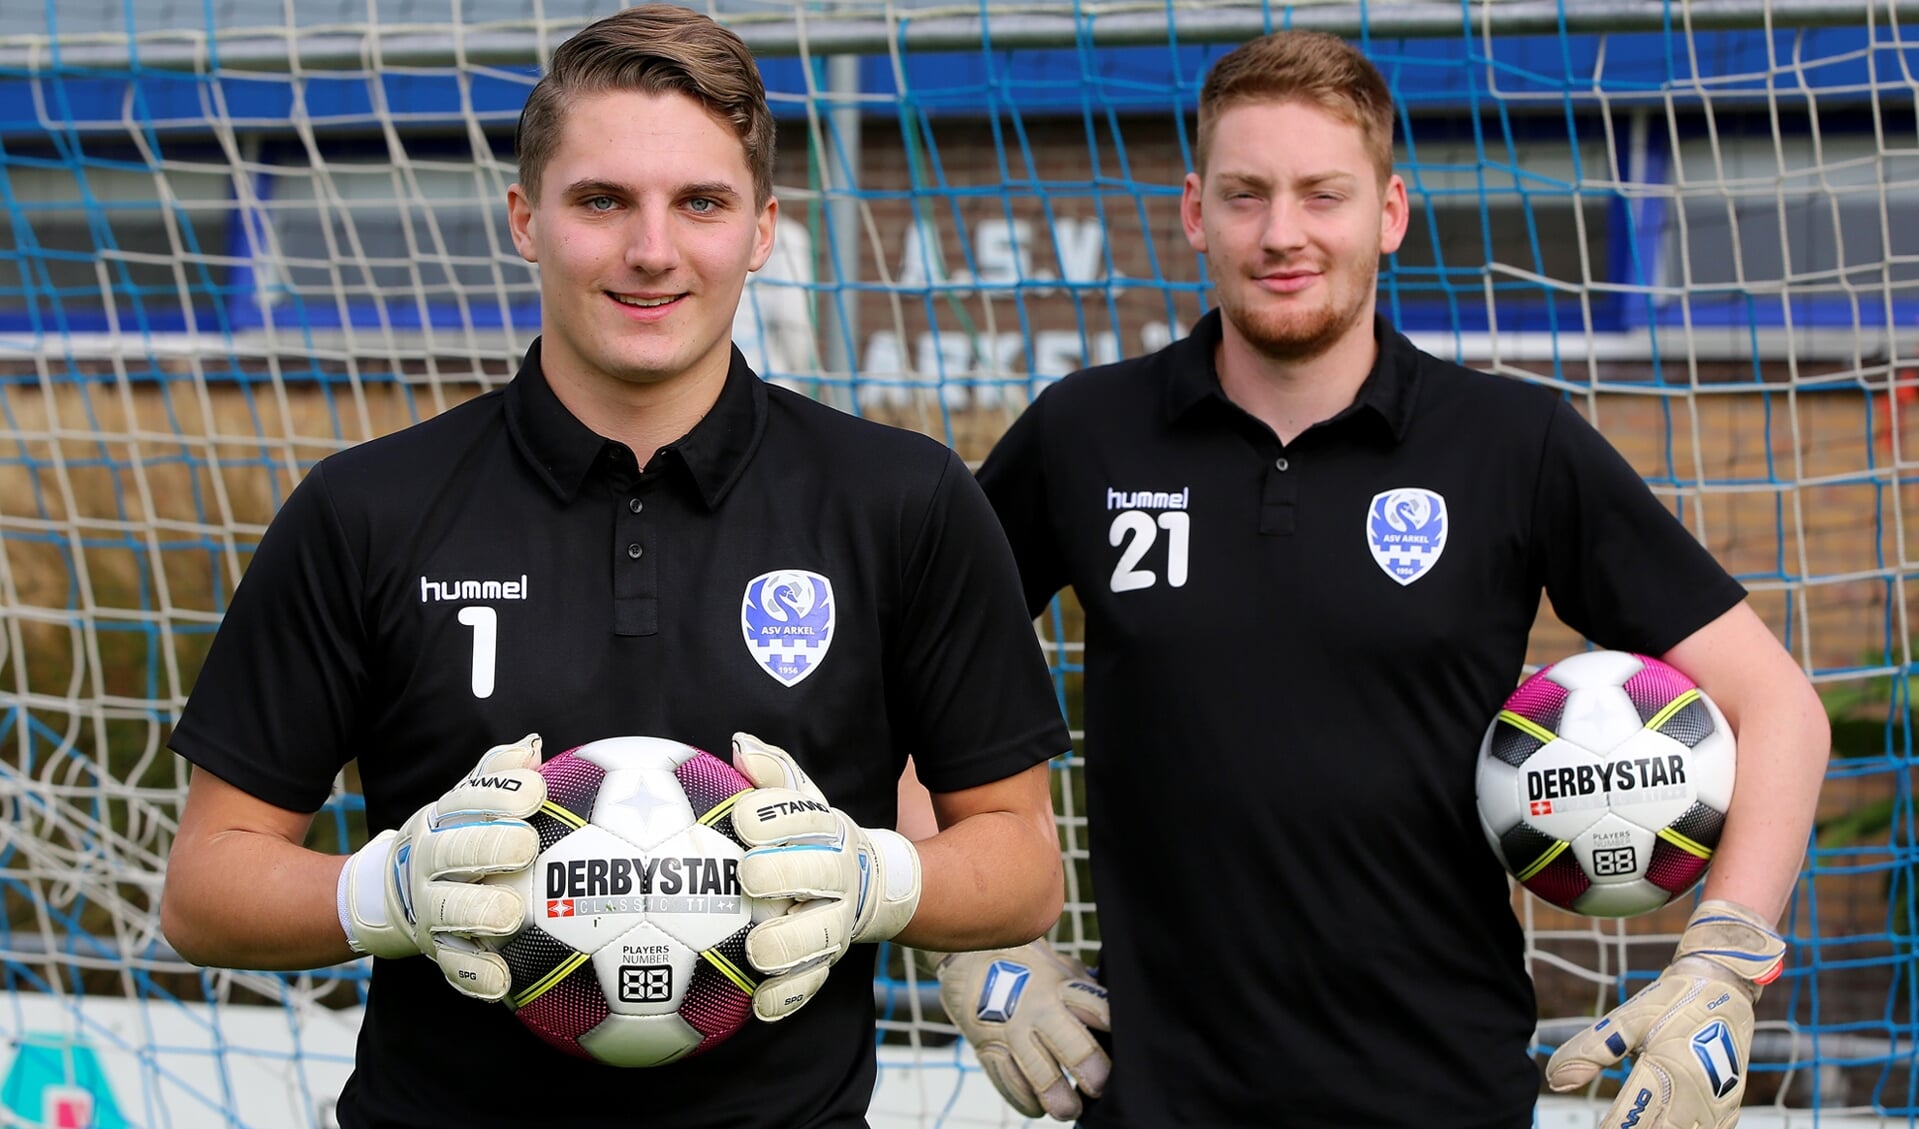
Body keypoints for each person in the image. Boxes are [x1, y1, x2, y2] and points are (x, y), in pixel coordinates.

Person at [157, 7, 1070, 1128]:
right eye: (602, 200)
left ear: (764, 228)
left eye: (700, 201)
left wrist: (876, 879)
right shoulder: (366, 509)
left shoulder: (904, 498)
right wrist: (385, 891)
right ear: (524, 220)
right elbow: (205, 888)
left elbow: (1023, 861)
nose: (652, 249)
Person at [925, 29, 1831, 1129]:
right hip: (1155, 1101)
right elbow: (900, 681)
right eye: (1245, 194)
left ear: (1389, 212)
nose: (1282, 233)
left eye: (1322, 194)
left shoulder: (1510, 441)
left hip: (1443, 1095)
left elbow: (1774, 701)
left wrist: (1722, 961)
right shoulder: (1085, 435)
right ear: (1192, 211)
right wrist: (975, 938)